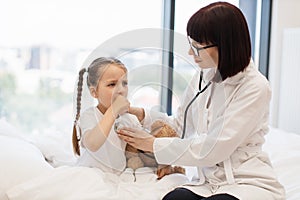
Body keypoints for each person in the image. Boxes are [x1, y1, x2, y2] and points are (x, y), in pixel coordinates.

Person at [118, 2, 285, 200]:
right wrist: (143, 115)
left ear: (224, 45)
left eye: (197, 47)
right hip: (207, 182)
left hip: (246, 181)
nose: (191, 53)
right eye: (191, 45)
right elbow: (180, 126)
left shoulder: (255, 87)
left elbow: (215, 148)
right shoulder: (203, 76)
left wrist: (152, 144)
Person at [72, 57, 144, 174]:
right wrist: (113, 110)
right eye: (112, 84)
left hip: (116, 177)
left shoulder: (129, 119)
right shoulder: (89, 116)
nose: (121, 90)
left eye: (124, 83)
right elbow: (93, 144)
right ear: (94, 92)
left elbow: (143, 147)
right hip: (90, 176)